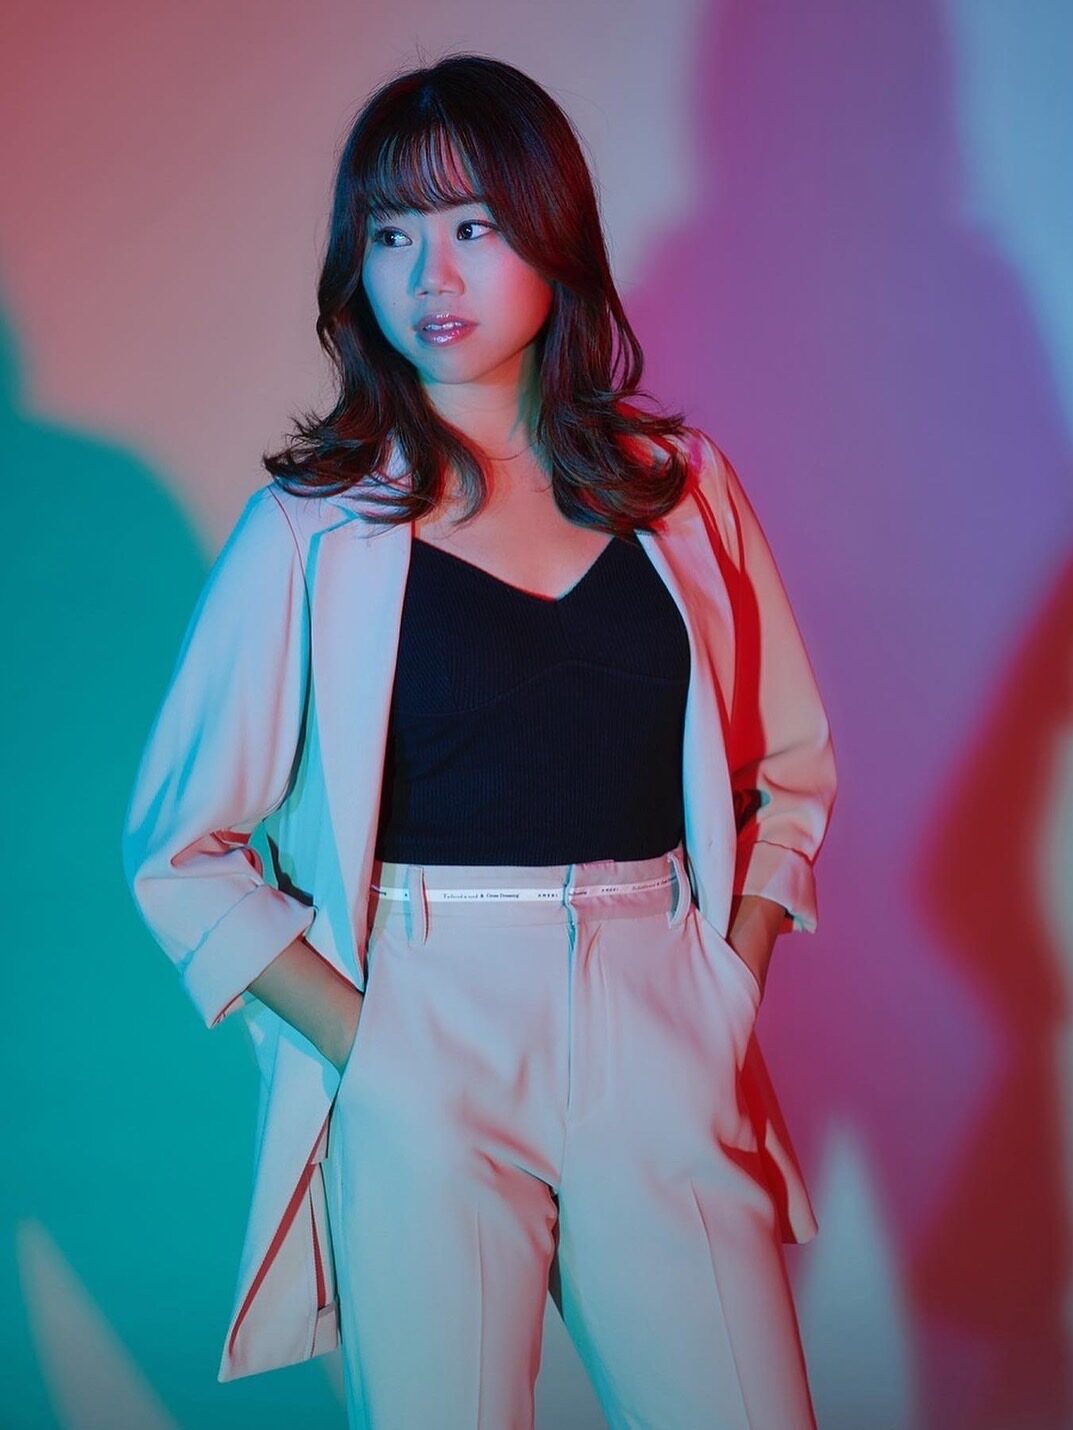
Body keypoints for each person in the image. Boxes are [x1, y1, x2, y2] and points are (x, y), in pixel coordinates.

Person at [121, 51, 837, 1429]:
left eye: (473, 225)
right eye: (391, 234)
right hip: (424, 1024)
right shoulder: (310, 531)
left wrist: (723, 988)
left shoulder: (682, 493)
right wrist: (374, 1048)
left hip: (658, 1016)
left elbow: (790, 776)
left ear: (553, 236)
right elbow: (180, 850)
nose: (429, 276)